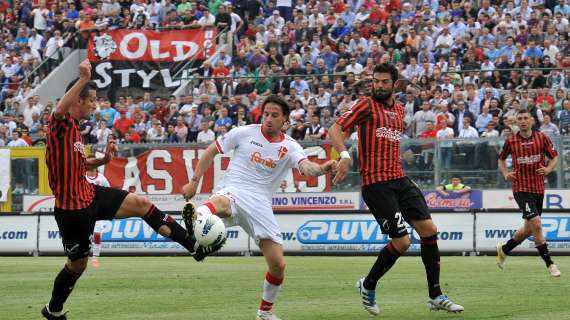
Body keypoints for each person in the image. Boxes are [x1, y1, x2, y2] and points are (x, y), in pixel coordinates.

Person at [42, 60, 199, 320]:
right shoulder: (61, 124)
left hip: (89, 194)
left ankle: (193, 245)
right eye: (91, 99)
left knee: (140, 203)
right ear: (77, 100)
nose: (95, 104)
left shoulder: (77, 133)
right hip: (72, 210)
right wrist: (82, 78)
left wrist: (101, 162)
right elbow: (59, 110)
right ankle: (53, 310)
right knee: (77, 264)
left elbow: (79, 165)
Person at [181, 95, 337, 320]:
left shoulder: (290, 146)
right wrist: (194, 182)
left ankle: (264, 312)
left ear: (285, 120)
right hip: (234, 188)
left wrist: (322, 169)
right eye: (266, 114)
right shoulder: (243, 132)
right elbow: (210, 152)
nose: (269, 119)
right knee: (222, 203)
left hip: (260, 204)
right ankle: (196, 217)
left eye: (275, 116)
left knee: (278, 264)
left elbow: (306, 167)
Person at [328, 63, 464, 316]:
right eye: (375, 81)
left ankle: (435, 295)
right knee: (402, 241)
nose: (378, 85)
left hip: (400, 179)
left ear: (394, 84)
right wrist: (345, 155)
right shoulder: (365, 105)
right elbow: (335, 128)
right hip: (376, 183)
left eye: (383, 82)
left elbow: (391, 144)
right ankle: (368, 285)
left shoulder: (400, 111)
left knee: (429, 231)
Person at [497, 110, 561, 277]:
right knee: (537, 223)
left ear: (532, 121)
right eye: (520, 119)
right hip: (520, 188)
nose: (523, 121)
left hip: (538, 188)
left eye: (526, 118)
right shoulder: (511, 141)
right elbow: (501, 159)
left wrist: (547, 169)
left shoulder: (542, 138)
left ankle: (505, 249)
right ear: (516, 122)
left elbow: (554, 157)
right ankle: (550, 263)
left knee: (528, 228)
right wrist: (505, 173)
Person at [84, 157, 111, 268]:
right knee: (83, 236)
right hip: (84, 209)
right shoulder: (81, 177)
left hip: (98, 211)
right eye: (89, 161)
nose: (91, 163)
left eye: (93, 161)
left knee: (97, 234)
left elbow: (109, 192)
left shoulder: (102, 179)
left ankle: (95, 257)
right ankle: (82, 256)